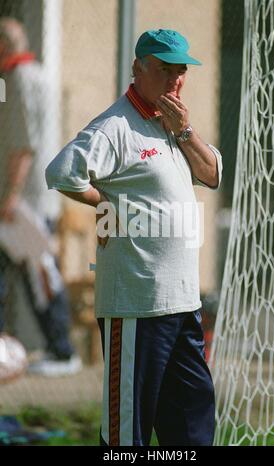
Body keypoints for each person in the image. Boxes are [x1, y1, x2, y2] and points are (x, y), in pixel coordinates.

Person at [46, 29, 223, 445]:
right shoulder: (115, 127)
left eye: (181, 72)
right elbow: (60, 172)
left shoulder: (175, 125)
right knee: (130, 435)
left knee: (193, 428)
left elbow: (212, 174)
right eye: (164, 70)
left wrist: (185, 131)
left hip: (184, 305)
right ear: (138, 68)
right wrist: (105, 203)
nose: (175, 80)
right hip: (137, 308)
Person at [0, 18, 82, 377]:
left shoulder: (16, 79)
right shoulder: (39, 75)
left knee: (41, 277)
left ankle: (62, 351)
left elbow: (22, 144)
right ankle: (55, 349)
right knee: (38, 276)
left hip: (22, 202)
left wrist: (10, 195)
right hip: (38, 198)